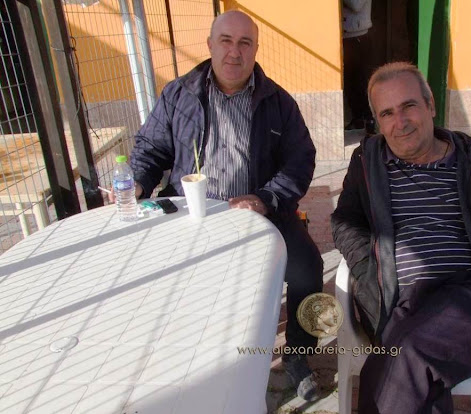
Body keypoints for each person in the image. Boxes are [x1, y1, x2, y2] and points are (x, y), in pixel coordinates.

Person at [123, 10, 323, 401]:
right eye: (226, 41)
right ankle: (184, 359)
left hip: (262, 211)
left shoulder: (278, 102)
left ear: (256, 49)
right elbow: (150, 148)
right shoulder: (178, 95)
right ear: (210, 46)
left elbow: (300, 161)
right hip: (194, 212)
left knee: (308, 270)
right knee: (166, 276)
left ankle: (298, 355)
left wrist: (265, 199)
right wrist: (139, 182)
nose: (235, 52)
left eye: (245, 43)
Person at [331, 62, 471, 413]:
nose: (400, 122)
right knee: (408, 359)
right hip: (398, 296)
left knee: (405, 352)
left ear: (430, 105)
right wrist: (368, 271)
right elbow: (345, 223)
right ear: (377, 122)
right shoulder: (366, 163)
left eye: (408, 106)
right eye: (387, 113)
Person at [342, 0, 376, 135]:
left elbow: (356, 5)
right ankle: (358, 119)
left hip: (359, 36)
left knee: (361, 81)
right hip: (346, 35)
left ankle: (370, 119)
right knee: (349, 82)